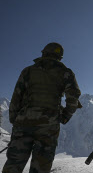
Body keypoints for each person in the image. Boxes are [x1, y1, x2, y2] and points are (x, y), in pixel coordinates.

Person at [2, 42, 81, 173]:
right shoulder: (65, 73)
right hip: (48, 126)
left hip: (23, 122)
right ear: (60, 57)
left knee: (13, 164)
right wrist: (65, 116)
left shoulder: (28, 71)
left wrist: (15, 120)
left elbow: (16, 97)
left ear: (43, 53)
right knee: (41, 166)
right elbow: (73, 97)